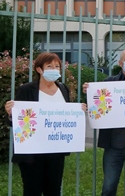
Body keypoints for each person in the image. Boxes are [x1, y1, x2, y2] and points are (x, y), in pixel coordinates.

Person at [3, 52, 87, 196]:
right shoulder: (26, 90)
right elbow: (16, 121)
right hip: (32, 152)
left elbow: (66, 115)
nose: (54, 69)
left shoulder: (63, 89)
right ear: (39, 69)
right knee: (32, 190)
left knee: (53, 190)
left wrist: (78, 111)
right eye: (49, 66)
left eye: (57, 66)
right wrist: (11, 113)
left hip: (56, 150)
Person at [82, 49, 125, 196]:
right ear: (120, 63)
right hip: (114, 146)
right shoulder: (108, 84)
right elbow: (95, 106)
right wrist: (89, 92)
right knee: (108, 188)